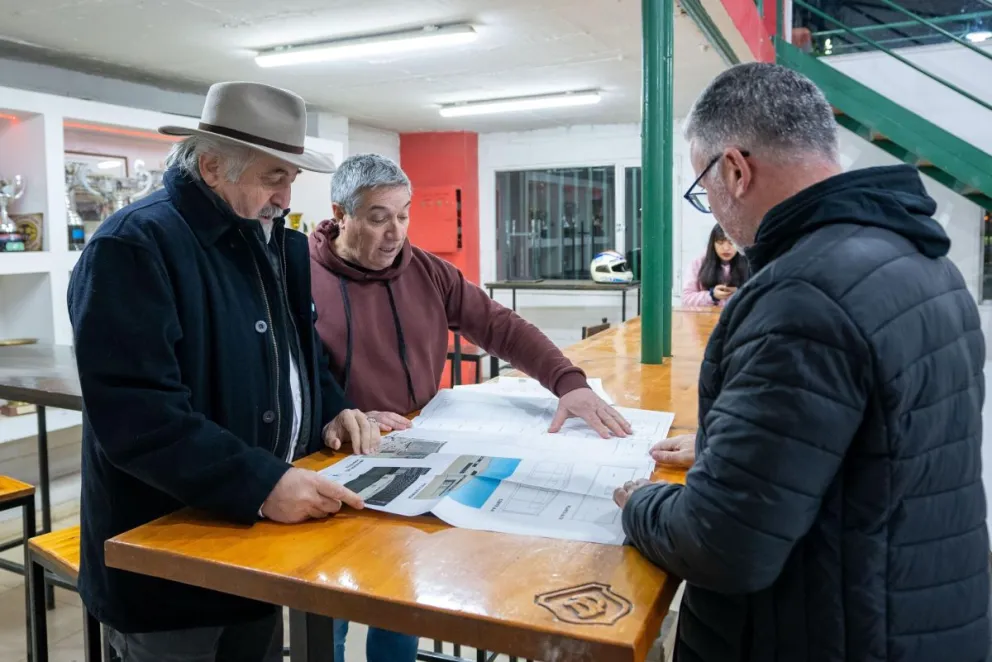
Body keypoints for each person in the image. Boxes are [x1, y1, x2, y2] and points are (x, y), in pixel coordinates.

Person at [614, 63, 989, 661]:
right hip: (922, 611)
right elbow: (869, 446)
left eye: (702, 191)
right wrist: (725, 446)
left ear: (734, 170)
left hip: (833, 632)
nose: (712, 213)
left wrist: (640, 502)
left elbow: (722, 544)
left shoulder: (802, 296)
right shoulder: (926, 264)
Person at [68, 81, 379, 662]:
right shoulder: (134, 245)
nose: (285, 197)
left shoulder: (268, 239)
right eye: (273, 177)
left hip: (253, 539)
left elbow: (299, 350)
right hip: (167, 557)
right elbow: (139, 415)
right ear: (211, 165)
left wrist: (332, 406)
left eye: (291, 178)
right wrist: (261, 483)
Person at [309, 153, 633, 662]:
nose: (395, 232)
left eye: (404, 214)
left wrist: (567, 382)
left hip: (413, 452)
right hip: (332, 461)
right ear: (341, 214)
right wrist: (345, 413)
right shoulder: (299, 275)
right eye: (378, 217)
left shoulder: (427, 272)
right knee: (325, 606)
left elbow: (501, 327)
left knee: (398, 597)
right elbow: (292, 371)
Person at [680, 223, 749, 307]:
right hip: (705, 318)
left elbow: (761, 297)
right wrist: (712, 295)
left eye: (731, 243)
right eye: (720, 243)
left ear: (738, 243)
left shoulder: (750, 263)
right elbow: (686, 299)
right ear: (713, 244)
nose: (726, 248)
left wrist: (740, 292)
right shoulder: (698, 264)